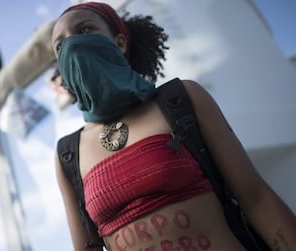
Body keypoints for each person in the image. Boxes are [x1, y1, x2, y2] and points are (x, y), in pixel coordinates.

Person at [51, 2, 296, 251]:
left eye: (83, 31)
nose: (71, 44)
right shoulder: (68, 155)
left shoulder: (182, 99)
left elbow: (256, 198)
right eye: (60, 46)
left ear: (120, 42)